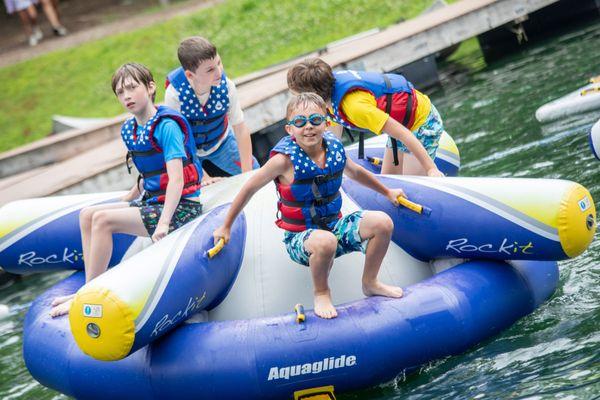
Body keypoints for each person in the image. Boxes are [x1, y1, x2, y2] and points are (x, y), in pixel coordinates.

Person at [213, 93, 405, 319]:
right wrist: (226, 225)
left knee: (382, 223)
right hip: (300, 239)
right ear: (289, 129)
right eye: (300, 122)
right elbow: (248, 189)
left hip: (335, 227)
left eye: (315, 120)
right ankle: (322, 293)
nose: (308, 127)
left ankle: (370, 282)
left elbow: (356, 172)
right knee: (326, 241)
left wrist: (387, 191)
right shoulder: (282, 161)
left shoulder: (333, 147)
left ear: (327, 123)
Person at [50, 63, 203, 317]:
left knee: (102, 220)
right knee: (88, 214)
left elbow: (175, 180)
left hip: (181, 209)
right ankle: (88, 288)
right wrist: (127, 198)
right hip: (153, 203)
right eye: (120, 92)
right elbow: (149, 174)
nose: (127, 96)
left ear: (150, 87)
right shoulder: (130, 129)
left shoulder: (166, 127)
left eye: (132, 88)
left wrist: (164, 223)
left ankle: (88, 294)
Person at [287, 58, 445, 177]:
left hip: (421, 123)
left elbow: (402, 133)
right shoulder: (328, 93)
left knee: (410, 187)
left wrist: (431, 169)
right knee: (390, 179)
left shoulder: (355, 107)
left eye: (299, 96)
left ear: (314, 93)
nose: (299, 100)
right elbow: (333, 134)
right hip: (402, 124)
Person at [164, 36, 259, 179]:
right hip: (189, 151)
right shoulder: (174, 95)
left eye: (219, 63)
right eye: (210, 70)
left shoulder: (227, 86)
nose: (219, 72)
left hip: (222, 143)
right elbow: (178, 141)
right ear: (190, 75)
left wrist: (248, 174)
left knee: (256, 173)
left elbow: (240, 129)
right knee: (193, 187)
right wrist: (204, 177)